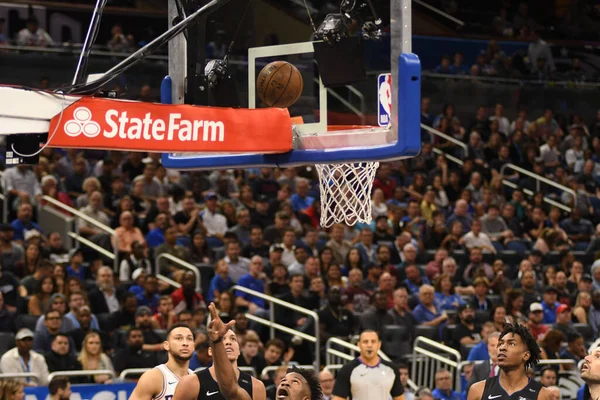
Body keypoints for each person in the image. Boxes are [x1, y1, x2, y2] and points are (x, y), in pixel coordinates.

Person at [175, 303, 322, 400]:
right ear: (211, 350)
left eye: (233, 339)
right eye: (283, 380)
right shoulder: (191, 382)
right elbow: (230, 389)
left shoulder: (256, 386)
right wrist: (216, 340)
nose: (284, 384)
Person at [467, 323, 550, 400]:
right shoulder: (478, 390)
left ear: (525, 355)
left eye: (511, 344)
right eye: (501, 343)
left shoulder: (542, 395)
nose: (502, 348)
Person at [128, 323, 195, 400]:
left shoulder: (197, 379)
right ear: (166, 345)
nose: (185, 343)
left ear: (194, 346)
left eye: (189, 339)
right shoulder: (153, 377)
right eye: (179, 338)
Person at [332, 330, 404, 400]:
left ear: (379, 345)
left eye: (373, 342)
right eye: (365, 342)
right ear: (359, 345)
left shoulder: (391, 369)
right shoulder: (347, 370)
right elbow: (338, 398)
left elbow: (399, 398)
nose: (369, 345)